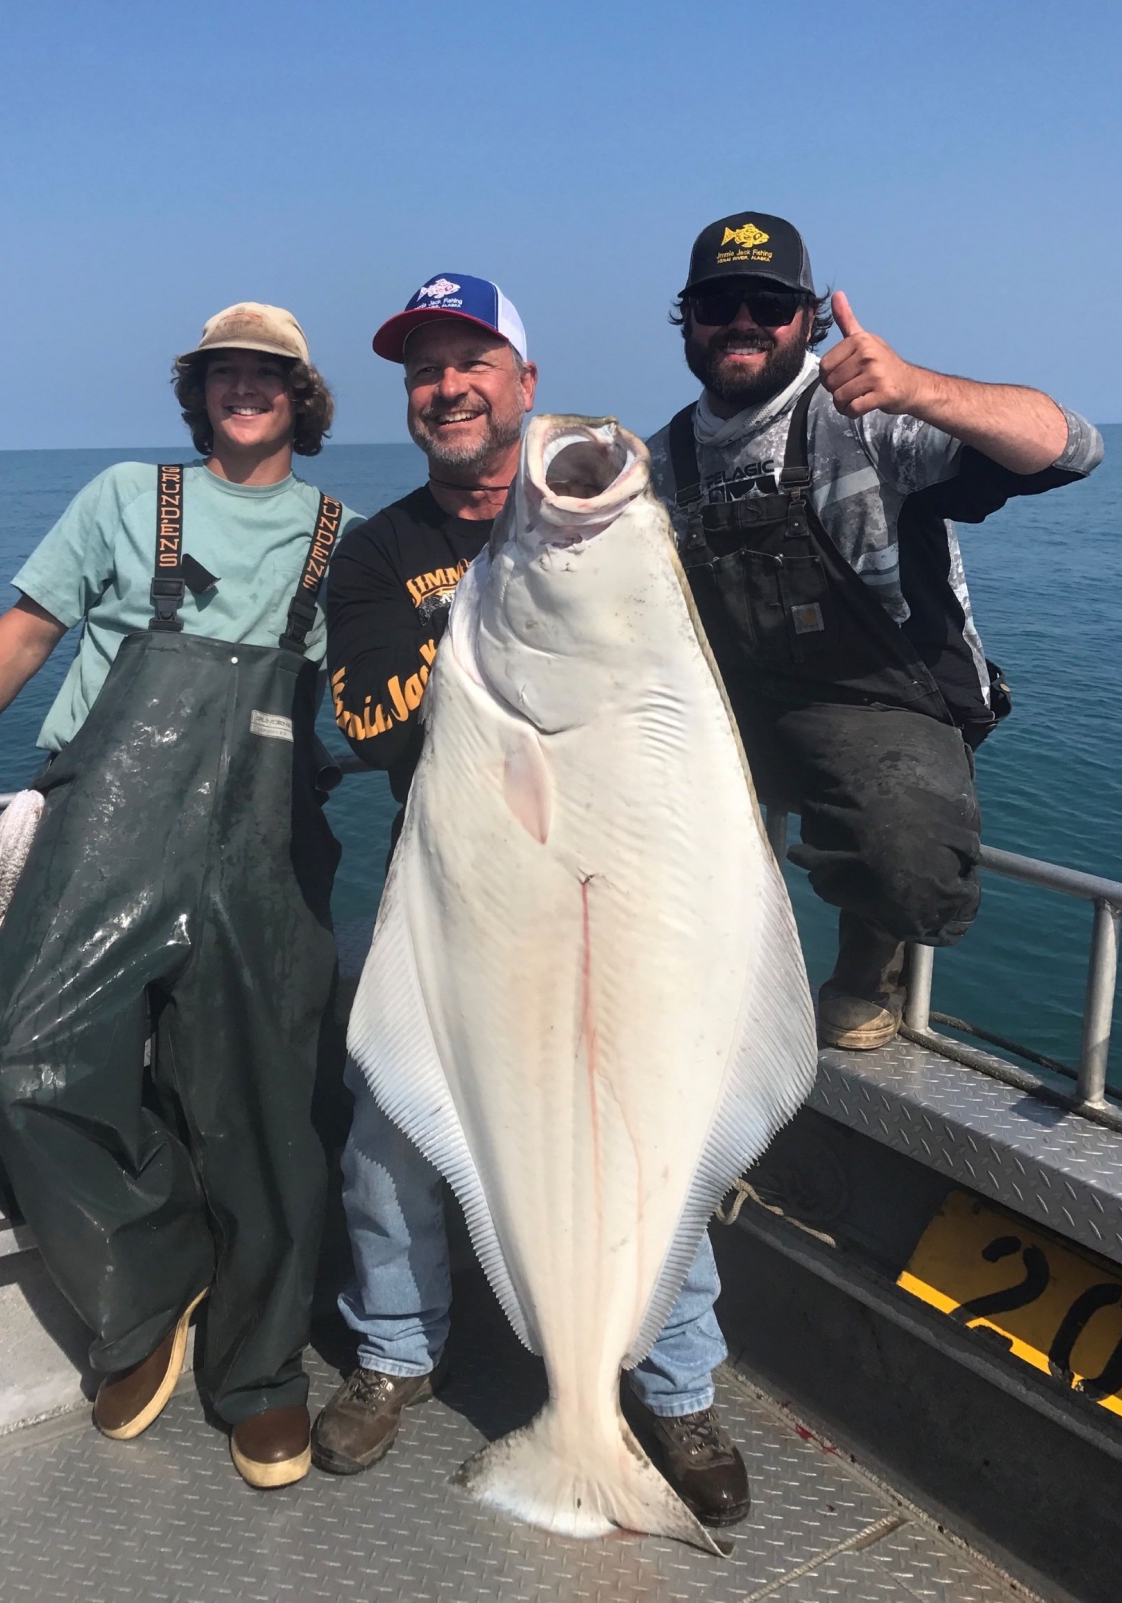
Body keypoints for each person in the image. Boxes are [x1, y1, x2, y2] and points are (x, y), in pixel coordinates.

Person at [318, 273, 752, 1530]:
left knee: (659, 1121)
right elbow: (359, 716)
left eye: (473, 363)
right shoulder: (383, 550)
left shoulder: (632, 530)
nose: (447, 387)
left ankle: (671, 1389)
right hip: (460, 897)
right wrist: (485, 619)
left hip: (630, 887)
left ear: (523, 382)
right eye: (423, 371)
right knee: (390, 1126)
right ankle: (397, 1352)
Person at [0, 303, 363, 1487]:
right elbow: (27, 634)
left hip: (266, 842)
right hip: (104, 823)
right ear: (198, 390)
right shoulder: (129, 496)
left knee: (268, 1109)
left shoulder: (347, 537)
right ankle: (156, 1265)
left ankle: (263, 1375)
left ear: (303, 395)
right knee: (13, 1056)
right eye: (225, 370)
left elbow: (397, 698)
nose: (245, 386)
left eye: (268, 372)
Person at [649, 213, 1103, 1050]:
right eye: (718, 301)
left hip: (876, 699)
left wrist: (918, 388)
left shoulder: (868, 416)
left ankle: (869, 961)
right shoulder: (660, 462)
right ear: (688, 317)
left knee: (914, 872)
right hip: (731, 697)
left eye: (768, 302)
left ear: (809, 320)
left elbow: (1074, 447)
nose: (742, 319)